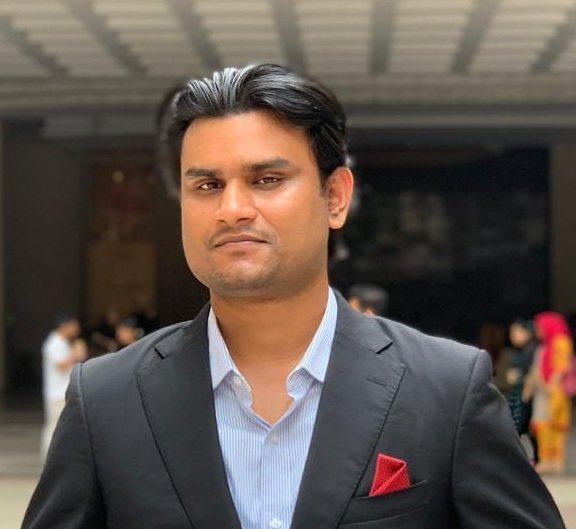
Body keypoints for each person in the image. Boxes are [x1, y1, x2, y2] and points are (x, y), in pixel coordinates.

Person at [23, 64, 565, 529]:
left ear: (336, 197)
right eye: (207, 185)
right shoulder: (107, 400)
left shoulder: (445, 391)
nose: (232, 209)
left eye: (266, 179)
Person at [525, 311, 574, 475]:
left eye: (540, 327)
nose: (538, 331)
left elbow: (562, 364)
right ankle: (546, 459)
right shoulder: (544, 345)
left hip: (556, 391)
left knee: (556, 424)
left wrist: (552, 383)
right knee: (542, 425)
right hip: (543, 390)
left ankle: (556, 460)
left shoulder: (561, 341)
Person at [39, 314, 85, 461]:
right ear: (65, 325)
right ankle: (48, 459)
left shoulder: (62, 342)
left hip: (62, 392)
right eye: (74, 325)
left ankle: (57, 458)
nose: (76, 328)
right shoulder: (54, 343)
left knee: (61, 426)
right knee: (54, 426)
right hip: (57, 394)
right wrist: (75, 353)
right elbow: (61, 365)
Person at [506, 319, 539, 461]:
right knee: (521, 426)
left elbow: (533, 372)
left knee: (522, 425)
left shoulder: (532, 349)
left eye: (516, 332)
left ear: (527, 333)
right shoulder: (522, 350)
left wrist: (520, 379)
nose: (512, 336)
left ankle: (530, 458)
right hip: (519, 392)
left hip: (527, 393)